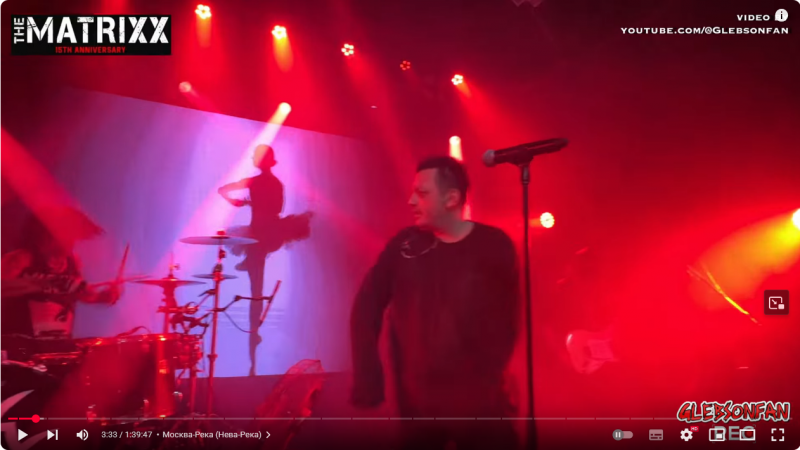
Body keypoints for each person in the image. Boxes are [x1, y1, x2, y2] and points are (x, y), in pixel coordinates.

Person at [350, 156, 521, 450]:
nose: (411, 200)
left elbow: (510, 318)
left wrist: (495, 373)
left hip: (480, 403)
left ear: (451, 198)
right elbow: (366, 307)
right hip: (419, 405)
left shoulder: (494, 245)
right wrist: (368, 379)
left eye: (422, 193)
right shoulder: (404, 246)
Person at [218, 144, 311, 376]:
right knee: (256, 286)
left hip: (258, 234)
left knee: (256, 287)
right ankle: (254, 336)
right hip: (271, 233)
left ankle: (253, 336)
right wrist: (251, 203)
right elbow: (277, 208)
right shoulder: (276, 183)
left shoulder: (254, 182)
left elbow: (223, 189)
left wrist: (237, 202)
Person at [1, 214, 121, 340]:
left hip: (59, 343)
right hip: (21, 342)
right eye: (68, 235)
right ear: (48, 235)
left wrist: (101, 297)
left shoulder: (72, 262)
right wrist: (37, 284)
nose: (73, 241)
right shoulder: (22, 258)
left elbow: (78, 293)